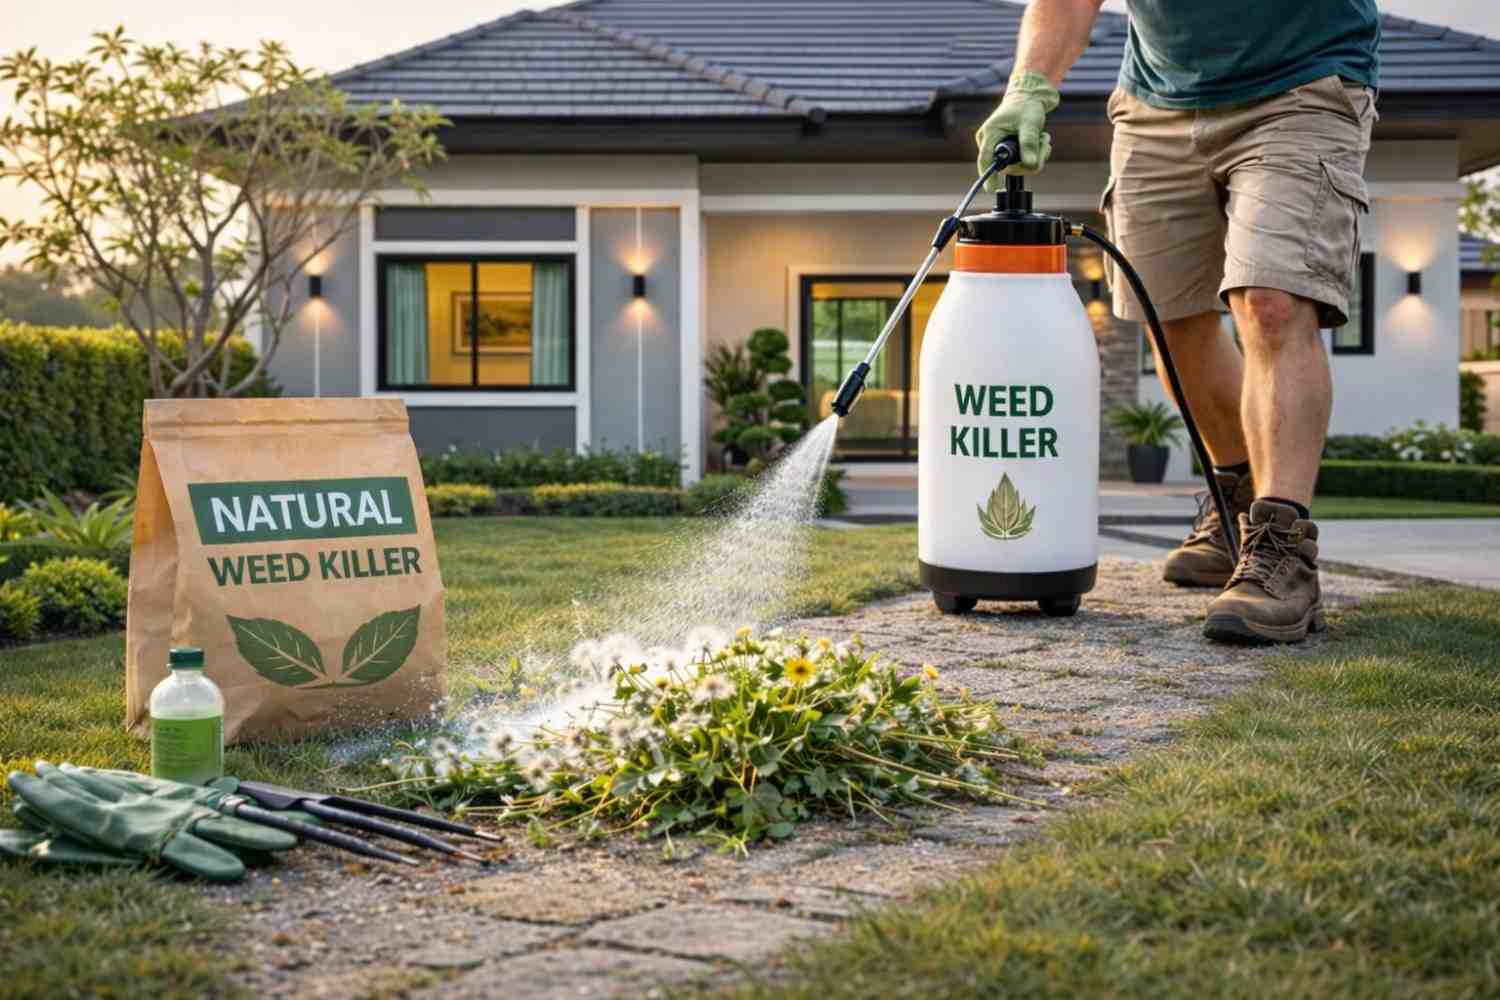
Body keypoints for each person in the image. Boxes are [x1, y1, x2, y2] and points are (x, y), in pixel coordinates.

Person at [976, 0, 1380, 643]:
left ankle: (1283, 552)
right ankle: (1235, 500)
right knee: (1167, 319)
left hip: (1300, 89)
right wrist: (1028, 87)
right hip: (1155, 103)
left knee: (1271, 303)